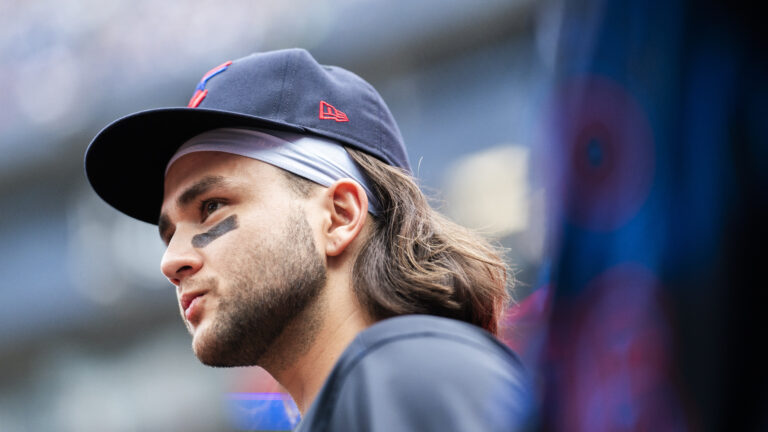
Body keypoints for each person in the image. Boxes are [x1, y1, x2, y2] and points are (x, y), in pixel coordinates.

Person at [84, 48, 533, 431]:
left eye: (211, 207)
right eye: (168, 234)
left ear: (340, 216)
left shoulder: (405, 371)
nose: (172, 261)